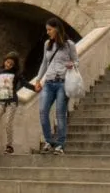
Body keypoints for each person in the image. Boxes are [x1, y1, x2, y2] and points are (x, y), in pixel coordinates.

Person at [33, 18, 79, 155]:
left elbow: (77, 61)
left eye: (49, 29)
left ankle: (60, 145)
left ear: (57, 28)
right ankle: (48, 141)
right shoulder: (47, 44)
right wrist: (38, 80)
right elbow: (44, 63)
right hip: (48, 82)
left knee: (60, 114)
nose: (47, 32)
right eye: (47, 30)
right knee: (42, 111)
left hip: (62, 83)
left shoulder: (69, 44)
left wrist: (72, 65)